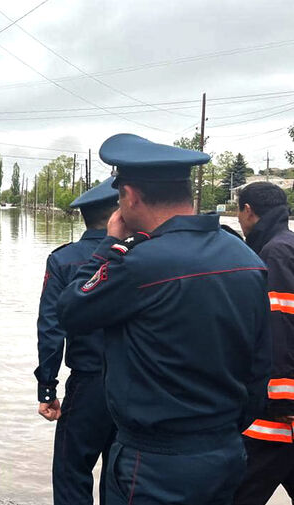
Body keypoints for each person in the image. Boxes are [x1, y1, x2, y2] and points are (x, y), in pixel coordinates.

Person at [57, 134, 272, 504]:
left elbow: (72, 310)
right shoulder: (246, 258)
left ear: (131, 196)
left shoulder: (138, 264)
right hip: (225, 453)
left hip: (154, 461)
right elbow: (259, 369)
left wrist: (108, 245)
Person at [35, 177, 119, 505]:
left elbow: (51, 329)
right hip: (139, 385)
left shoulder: (64, 260)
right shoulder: (145, 257)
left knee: (72, 472)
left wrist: (47, 388)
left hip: (88, 385)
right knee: (123, 474)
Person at [233, 182, 294, 505]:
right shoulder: (286, 244)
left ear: (247, 211)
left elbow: (280, 321)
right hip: (282, 406)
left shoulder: (274, 252)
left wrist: (281, 399)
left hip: (276, 411)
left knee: (238, 493)